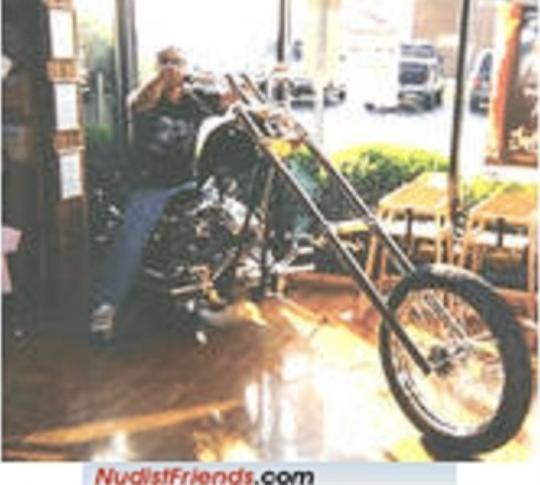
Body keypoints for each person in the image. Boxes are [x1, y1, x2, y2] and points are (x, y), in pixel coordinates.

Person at [90, 46, 232, 338]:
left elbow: (228, 100)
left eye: (177, 62)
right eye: (165, 62)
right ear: (156, 66)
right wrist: (162, 78)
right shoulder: (145, 96)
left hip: (186, 182)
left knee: (225, 218)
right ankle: (107, 306)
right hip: (150, 185)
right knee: (130, 240)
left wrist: (245, 84)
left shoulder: (194, 99)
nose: (171, 67)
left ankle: (212, 286)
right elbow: (140, 102)